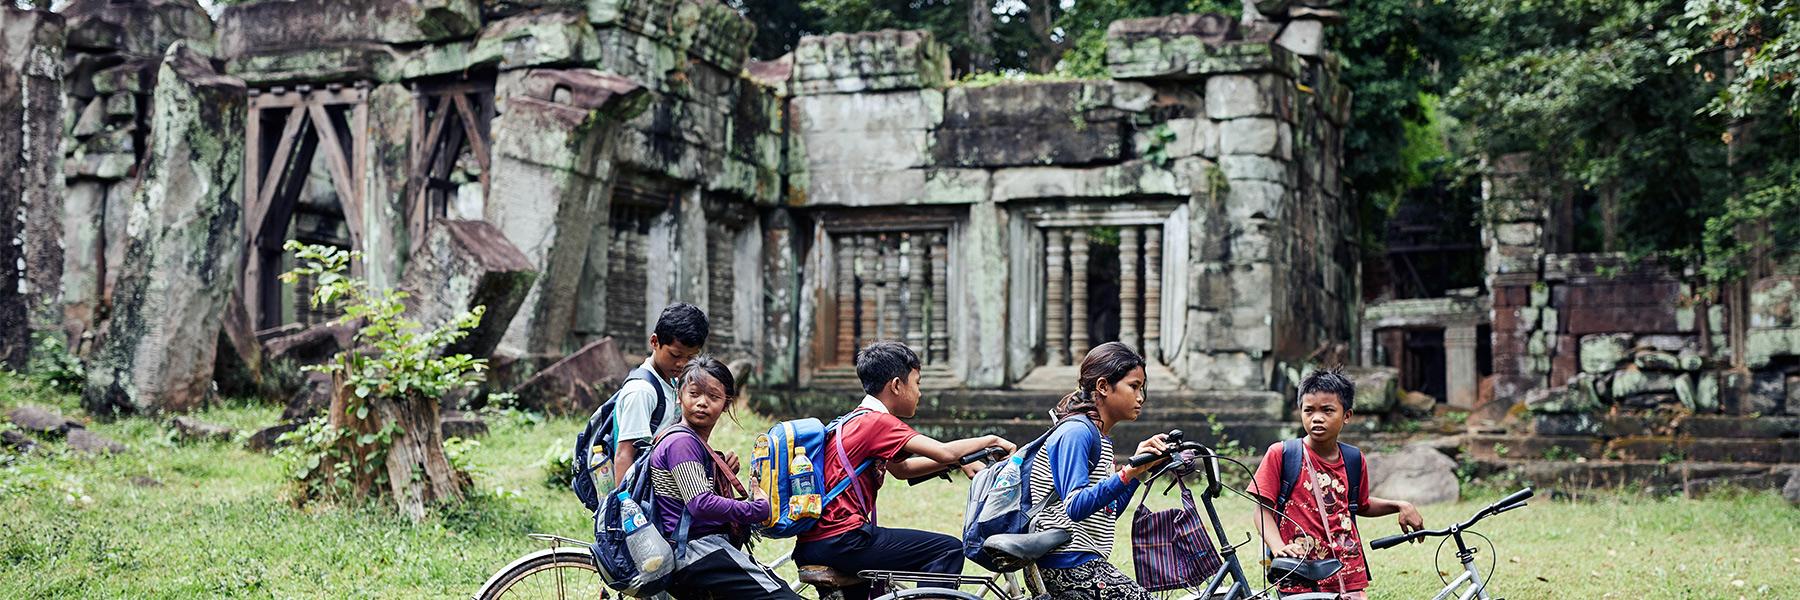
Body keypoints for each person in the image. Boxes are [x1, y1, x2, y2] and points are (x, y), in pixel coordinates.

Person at [791, 341, 1017, 600]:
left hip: (816, 543)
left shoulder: (854, 419)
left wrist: (959, 461)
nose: (919, 393)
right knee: (946, 550)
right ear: (897, 385)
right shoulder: (878, 422)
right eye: (917, 383)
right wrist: (992, 440)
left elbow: (903, 469)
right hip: (842, 540)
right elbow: (943, 451)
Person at [1249, 368, 1425, 600]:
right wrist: (1278, 546)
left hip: (1348, 571)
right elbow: (1263, 510)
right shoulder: (1282, 453)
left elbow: (1359, 505)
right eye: (1309, 410)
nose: (1317, 417)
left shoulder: (1353, 459)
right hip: (1299, 569)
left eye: (1328, 410)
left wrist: (1399, 505)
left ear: (1347, 415)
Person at [647, 357, 803, 600]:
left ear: (726, 403)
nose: (701, 403)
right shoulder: (682, 442)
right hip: (697, 552)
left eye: (713, 396)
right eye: (694, 393)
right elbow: (700, 503)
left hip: (698, 550)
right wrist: (756, 509)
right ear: (679, 395)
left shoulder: (690, 441)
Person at [1028, 342, 1171, 600]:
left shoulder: (1099, 436)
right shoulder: (1076, 432)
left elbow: (1107, 511)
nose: (1141, 397)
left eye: (1142, 388)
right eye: (1134, 386)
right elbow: (1076, 505)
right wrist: (1126, 473)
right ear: (1103, 387)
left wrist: (1138, 469)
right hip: (1065, 561)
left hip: (1080, 557)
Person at [612, 302, 709, 485]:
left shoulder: (672, 382)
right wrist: (625, 508)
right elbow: (624, 454)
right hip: (642, 498)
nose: (682, 364)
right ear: (655, 342)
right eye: (675, 355)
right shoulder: (642, 391)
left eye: (690, 358)